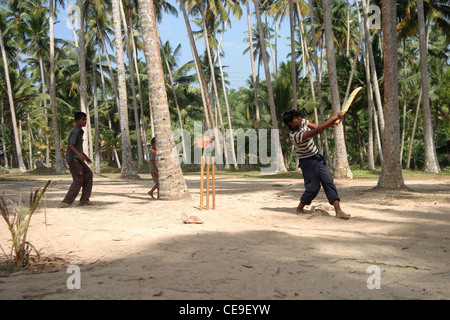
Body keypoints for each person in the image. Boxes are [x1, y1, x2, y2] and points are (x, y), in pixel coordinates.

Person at [282, 109, 350, 220]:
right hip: (307, 161)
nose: (299, 118)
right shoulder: (295, 135)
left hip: (317, 157)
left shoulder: (302, 121)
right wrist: (333, 118)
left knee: (329, 183)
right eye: (296, 118)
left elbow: (317, 127)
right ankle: (299, 208)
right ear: (290, 123)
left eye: (299, 116)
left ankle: (338, 211)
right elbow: (316, 131)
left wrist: (333, 123)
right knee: (313, 188)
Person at [60, 112, 93, 207]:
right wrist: (79, 154)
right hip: (73, 159)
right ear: (77, 121)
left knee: (88, 174)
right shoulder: (75, 131)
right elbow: (71, 145)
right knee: (78, 179)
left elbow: (78, 147)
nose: (85, 121)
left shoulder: (81, 131)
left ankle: (84, 200)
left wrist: (86, 157)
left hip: (78, 158)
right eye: (83, 119)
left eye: (85, 119)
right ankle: (66, 201)